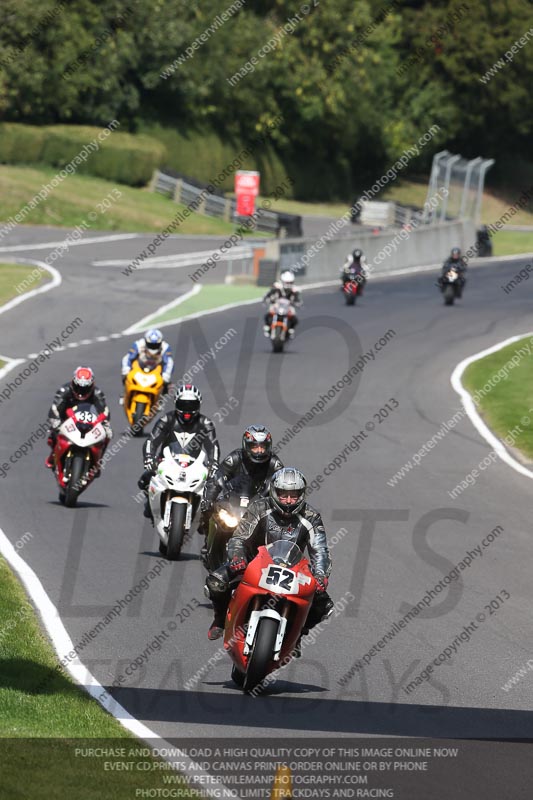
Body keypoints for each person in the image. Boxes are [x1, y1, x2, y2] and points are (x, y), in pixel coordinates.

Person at [205, 467, 333, 649]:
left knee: (325, 606)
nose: (288, 500)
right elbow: (239, 537)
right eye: (283, 495)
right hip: (252, 563)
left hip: (293, 570)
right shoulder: (259, 507)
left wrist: (320, 576)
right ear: (274, 492)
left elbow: (320, 550)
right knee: (215, 582)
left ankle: (298, 633)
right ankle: (219, 619)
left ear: (302, 495)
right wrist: (237, 558)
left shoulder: (311, 517)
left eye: (294, 495)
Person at [138, 384, 220, 520]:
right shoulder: (166, 419)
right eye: (183, 405)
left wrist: (214, 464)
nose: (187, 411)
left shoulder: (206, 423)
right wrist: (149, 457)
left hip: (195, 464)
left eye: (191, 406)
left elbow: (213, 447)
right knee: (144, 479)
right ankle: (151, 504)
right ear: (176, 404)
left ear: (198, 406)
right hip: (166, 461)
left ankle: (204, 518)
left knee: (214, 488)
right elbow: (151, 441)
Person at [198, 424, 284, 539]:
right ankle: (208, 541)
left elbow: (284, 486)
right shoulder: (234, 458)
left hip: (261, 506)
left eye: (262, 447)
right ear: (246, 445)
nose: (259, 451)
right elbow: (217, 477)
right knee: (208, 509)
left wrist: (281, 506)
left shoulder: (275, 463)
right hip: (233, 502)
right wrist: (208, 499)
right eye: (255, 447)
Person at [45, 366, 112, 471]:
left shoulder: (97, 393)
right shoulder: (64, 390)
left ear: (91, 386)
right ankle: (53, 456)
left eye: (85, 388)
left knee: (108, 434)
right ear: (73, 383)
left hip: (89, 421)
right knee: (53, 431)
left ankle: (98, 459)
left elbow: (105, 411)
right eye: (78, 387)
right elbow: (54, 408)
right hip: (65, 418)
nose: (81, 392)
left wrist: (104, 423)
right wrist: (56, 421)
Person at [121, 329, 174, 397]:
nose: (153, 348)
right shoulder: (138, 344)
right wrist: (126, 369)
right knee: (125, 375)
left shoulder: (165, 347)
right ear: (146, 341)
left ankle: (160, 399)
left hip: (156, 370)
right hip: (140, 367)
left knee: (166, 384)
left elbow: (169, 362)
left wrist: (166, 375)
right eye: (150, 345)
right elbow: (128, 357)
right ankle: (125, 392)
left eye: (156, 345)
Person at [263, 271, 302, 337]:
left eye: (290, 282)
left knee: (294, 317)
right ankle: (267, 327)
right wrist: (267, 299)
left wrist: (297, 303)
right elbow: (269, 294)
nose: (288, 284)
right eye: (287, 282)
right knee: (268, 314)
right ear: (283, 281)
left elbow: (297, 299)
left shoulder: (294, 290)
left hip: (288, 306)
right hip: (277, 305)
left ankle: (291, 330)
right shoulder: (277, 287)